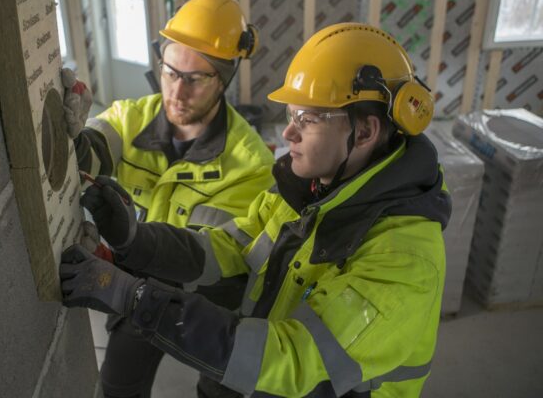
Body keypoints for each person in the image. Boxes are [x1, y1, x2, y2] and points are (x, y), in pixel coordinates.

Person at [60, 22, 451, 397]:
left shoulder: (403, 258)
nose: (287, 133)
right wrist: (136, 240)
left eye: (307, 118)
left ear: (364, 133)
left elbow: (293, 360)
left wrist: (134, 296)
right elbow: (227, 249)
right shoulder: (308, 192)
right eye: (290, 114)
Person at [62, 0, 276, 398]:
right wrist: (70, 137)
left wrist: (124, 253)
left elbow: (215, 259)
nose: (177, 92)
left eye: (195, 79)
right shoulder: (130, 117)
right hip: (140, 287)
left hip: (213, 305)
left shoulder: (251, 165)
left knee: (221, 391)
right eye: (170, 71)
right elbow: (95, 150)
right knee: (118, 386)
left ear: (224, 78)